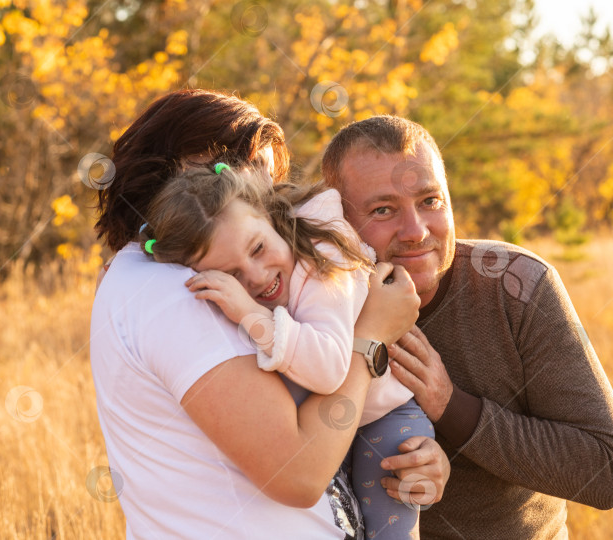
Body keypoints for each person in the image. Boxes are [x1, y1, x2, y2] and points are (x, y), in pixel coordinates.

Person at [91, 90, 450, 538]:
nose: (264, 197)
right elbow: (299, 473)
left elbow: (308, 428)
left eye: (268, 176)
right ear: (175, 167)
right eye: (247, 168)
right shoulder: (176, 289)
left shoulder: (190, 270)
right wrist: (372, 333)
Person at [321, 115, 613, 539]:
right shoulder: (314, 304)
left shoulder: (518, 286)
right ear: (336, 220)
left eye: (430, 201)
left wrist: (450, 405)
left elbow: (603, 471)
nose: (416, 231)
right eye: (383, 209)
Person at [139, 163, 435, 539]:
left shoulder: (325, 264)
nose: (258, 276)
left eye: (258, 248)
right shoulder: (271, 259)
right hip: (333, 425)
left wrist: (249, 313)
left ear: (268, 215)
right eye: (230, 275)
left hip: (386, 418)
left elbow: (328, 369)